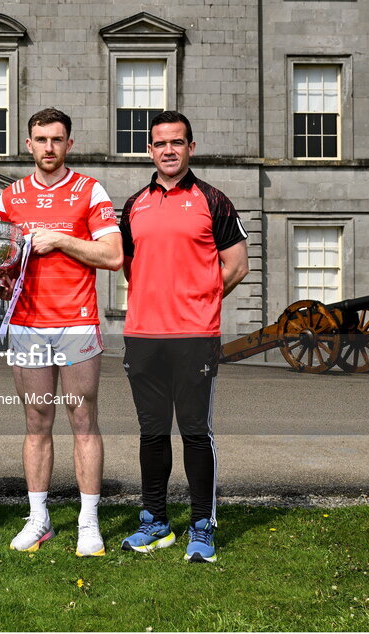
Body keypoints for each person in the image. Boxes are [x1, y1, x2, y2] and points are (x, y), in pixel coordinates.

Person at [118, 111, 249, 563]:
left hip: (195, 337)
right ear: (150, 150)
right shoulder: (133, 205)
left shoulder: (214, 201)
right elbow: (130, 265)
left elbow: (237, 265)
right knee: (151, 434)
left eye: (177, 142)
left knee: (195, 434)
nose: (168, 150)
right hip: (143, 336)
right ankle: (155, 523)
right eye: (159, 143)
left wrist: (203, 297)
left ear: (191, 147)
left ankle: (201, 526)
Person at [0, 108, 122, 557]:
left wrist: (61, 239)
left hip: (76, 320)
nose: (48, 147)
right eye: (40, 139)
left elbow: (112, 255)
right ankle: (40, 519)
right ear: (27, 144)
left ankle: (89, 523)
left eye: (56, 139)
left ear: (69, 143)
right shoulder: (10, 197)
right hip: (27, 324)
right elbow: (4, 260)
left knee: (83, 421)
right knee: (36, 423)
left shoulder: (90, 189)